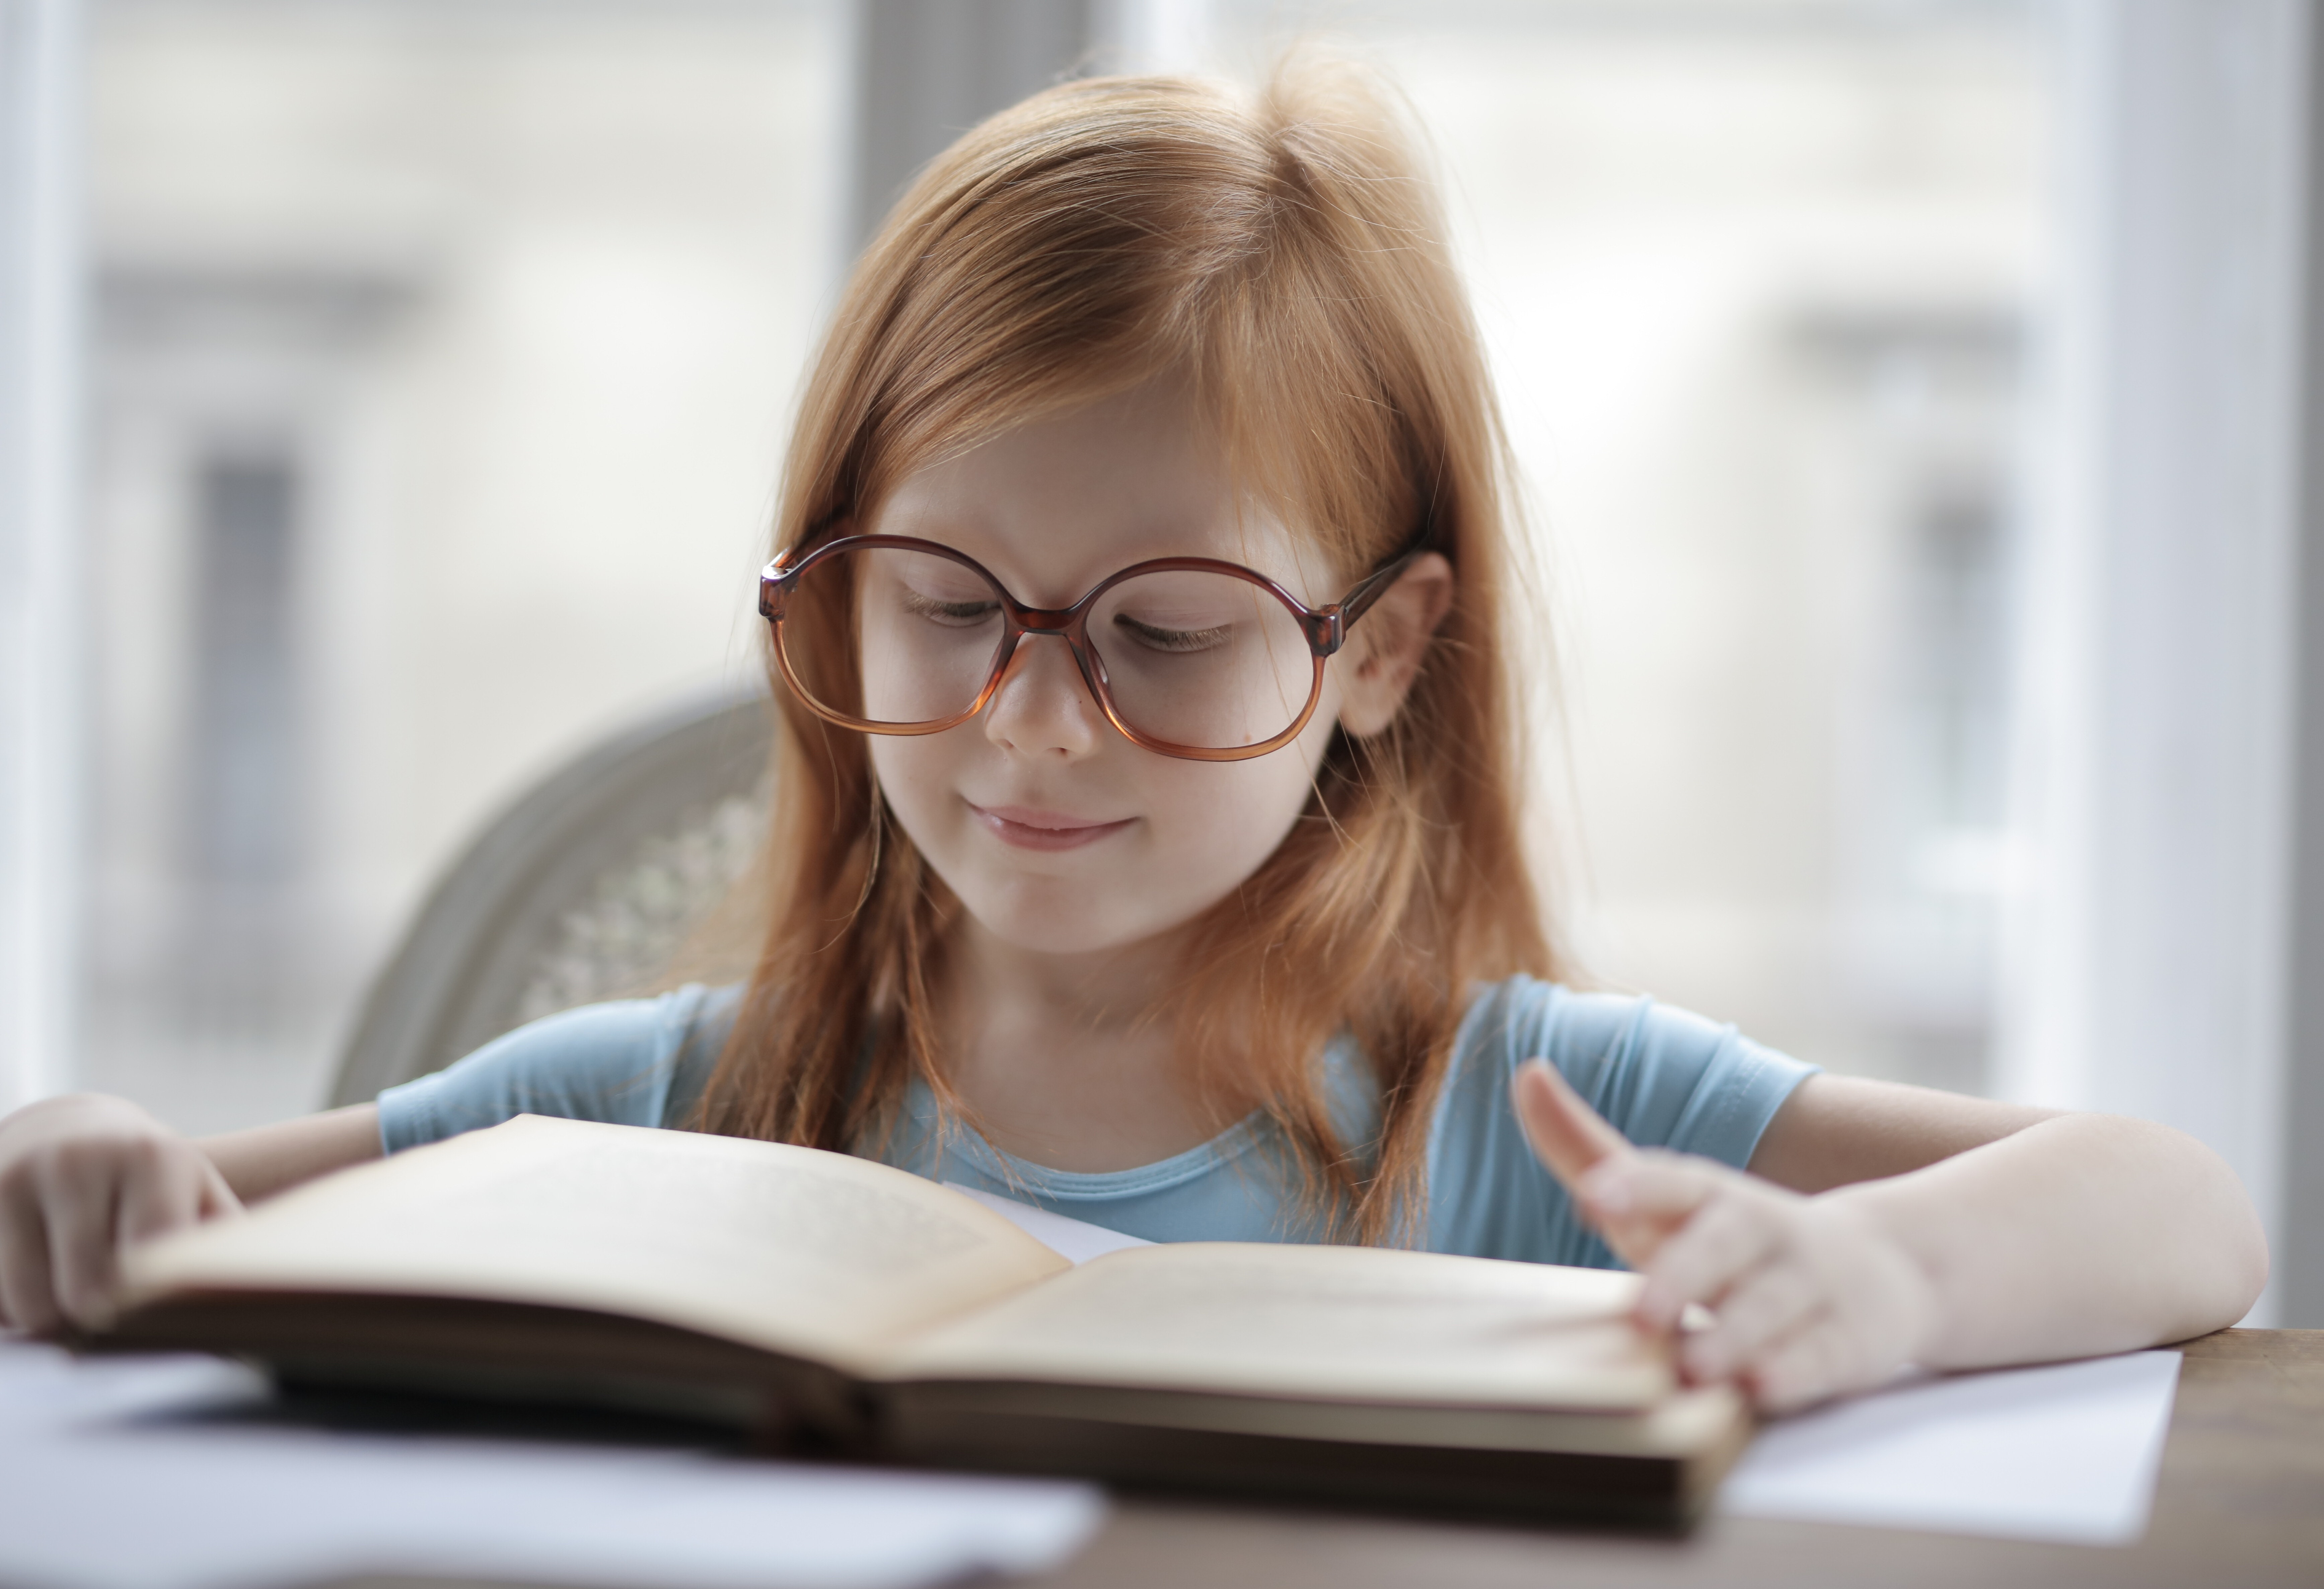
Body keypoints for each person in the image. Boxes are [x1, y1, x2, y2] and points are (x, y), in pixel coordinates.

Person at [0, 63, 2265, 1413]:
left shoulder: (1518, 1110)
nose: (1031, 722)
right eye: (949, 607)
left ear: (1379, 653)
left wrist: (1891, 1282)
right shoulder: (660, 1106)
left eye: (1165, 636)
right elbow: (143, 1240)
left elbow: (2177, 1211)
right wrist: (78, 1155)